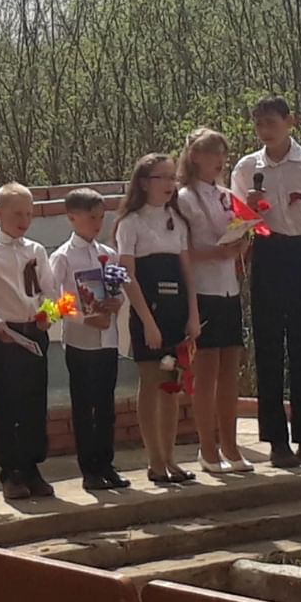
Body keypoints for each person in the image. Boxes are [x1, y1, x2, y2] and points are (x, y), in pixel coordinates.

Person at [233, 97, 301, 468]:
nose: (266, 130)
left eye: (272, 122)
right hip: (266, 251)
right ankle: (277, 441)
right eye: (259, 124)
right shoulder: (248, 167)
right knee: (268, 348)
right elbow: (237, 221)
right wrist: (250, 208)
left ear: (289, 122)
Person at [0, 183, 57, 501]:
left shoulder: (36, 250)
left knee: (35, 403)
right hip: (6, 335)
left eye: (30, 213)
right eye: (17, 213)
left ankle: (33, 467)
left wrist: (50, 314)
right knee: (8, 404)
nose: (25, 219)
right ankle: (11, 471)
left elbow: (50, 290)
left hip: (35, 332)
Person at [115, 154, 199, 486]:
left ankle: (171, 458)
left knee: (171, 385)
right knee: (152, 382)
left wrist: (193, 315)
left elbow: (187, 273)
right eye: (161, 178)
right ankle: (154, 462)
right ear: (143, 182)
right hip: (148, 313)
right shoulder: (130, 222)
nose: (169, 184)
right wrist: (148, 321)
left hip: (176, 311)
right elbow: (127, 276)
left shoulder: (176, 221)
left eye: (172, 178)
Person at [179, 129, 254, 475]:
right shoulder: (184, 198)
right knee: (206, 372)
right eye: (212, 154)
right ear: (195, 156)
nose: (219, 161)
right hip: (202, 288)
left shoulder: (226, 195)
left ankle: (230, 444)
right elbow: (182, 250)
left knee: (229, 371)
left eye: (222, 154)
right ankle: (207, 449)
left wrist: (241, 244)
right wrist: (216, 251)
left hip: (229, 288)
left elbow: (237, 232)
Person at [49, 186, 130, 491]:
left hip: (107, 338)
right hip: (80, 340)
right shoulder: (62, 257)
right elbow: (53, 302)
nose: (97, 223)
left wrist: (115, 302)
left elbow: (118, 290)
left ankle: (106, 463)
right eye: (91, 217)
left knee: (106, 404)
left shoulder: (107, 253)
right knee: (85, 406)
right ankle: (89, 469)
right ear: (72, 217)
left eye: (101, 217)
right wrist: (83, 317)